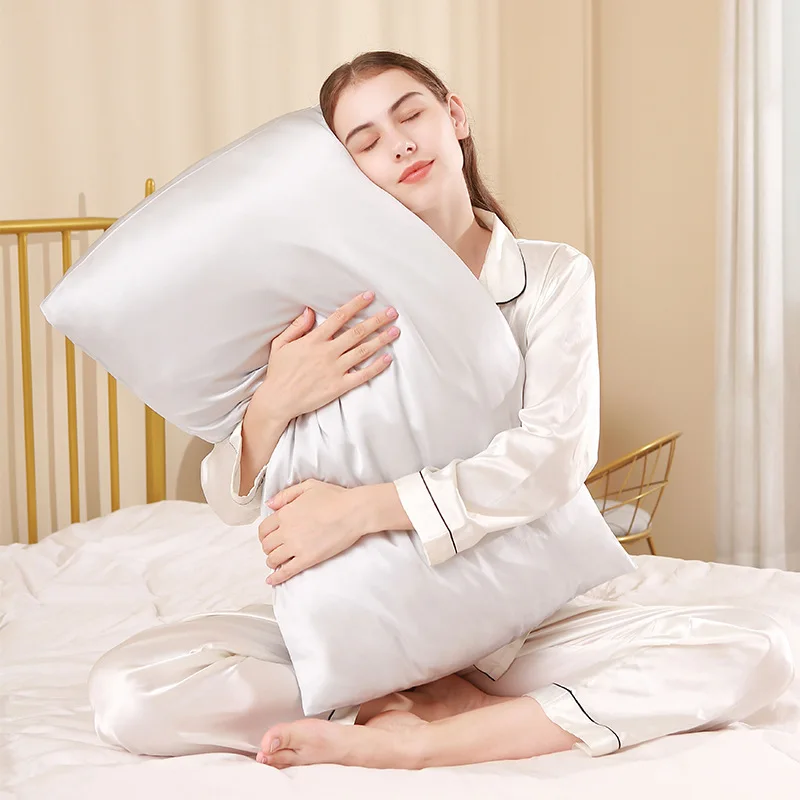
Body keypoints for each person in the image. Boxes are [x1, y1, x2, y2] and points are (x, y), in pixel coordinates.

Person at [88, 50, 795, 770]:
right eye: (366, 142)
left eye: (410, 115)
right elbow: (229, 502)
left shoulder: (550, 276)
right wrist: (273, 402)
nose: (399, 145)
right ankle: (394, 697)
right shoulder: (333, 304)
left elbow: (556, 454)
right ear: (348, 173)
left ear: (453, 115)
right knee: (131, 691)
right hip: (360, 617)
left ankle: (430, 734)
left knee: (756, 650)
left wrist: (360, 511)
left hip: (517, 622)